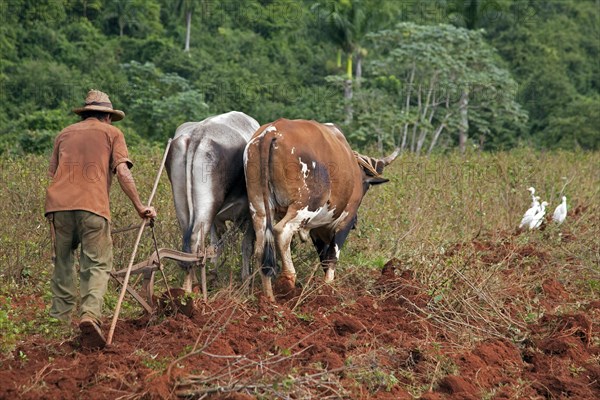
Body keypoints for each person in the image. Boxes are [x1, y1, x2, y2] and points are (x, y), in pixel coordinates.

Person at [45, 89, 156, 349]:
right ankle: (89, 316)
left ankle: (58, 322)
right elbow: (123, 174)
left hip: (58, 207)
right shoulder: (112, 134)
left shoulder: (64, 133)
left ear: (85, 114)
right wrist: (140, 207)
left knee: (62, 262)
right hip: (93, 208)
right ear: (107, 116)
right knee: (96, 264)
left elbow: (53, 174)